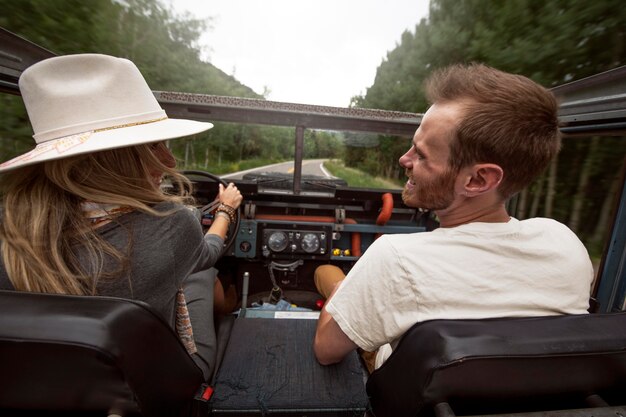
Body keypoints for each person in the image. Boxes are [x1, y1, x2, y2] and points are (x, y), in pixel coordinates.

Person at [313, 63, 594, 372]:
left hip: (401, 389)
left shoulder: (396, 260)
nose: (404, 159)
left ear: (477, 180)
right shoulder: (565, 244)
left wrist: (345, 291)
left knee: (326, 274)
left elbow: (326, 351)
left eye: (421, 155)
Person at [0, 54, 242, 380]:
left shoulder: (9, 224)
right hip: (151, 389)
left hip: (37, 386)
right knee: (199, 272)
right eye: (153, 145)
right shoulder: (172, 223)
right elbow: (209, 253)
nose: (170, 160)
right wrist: (225, 209)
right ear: (112, 159)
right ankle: (228, 309)